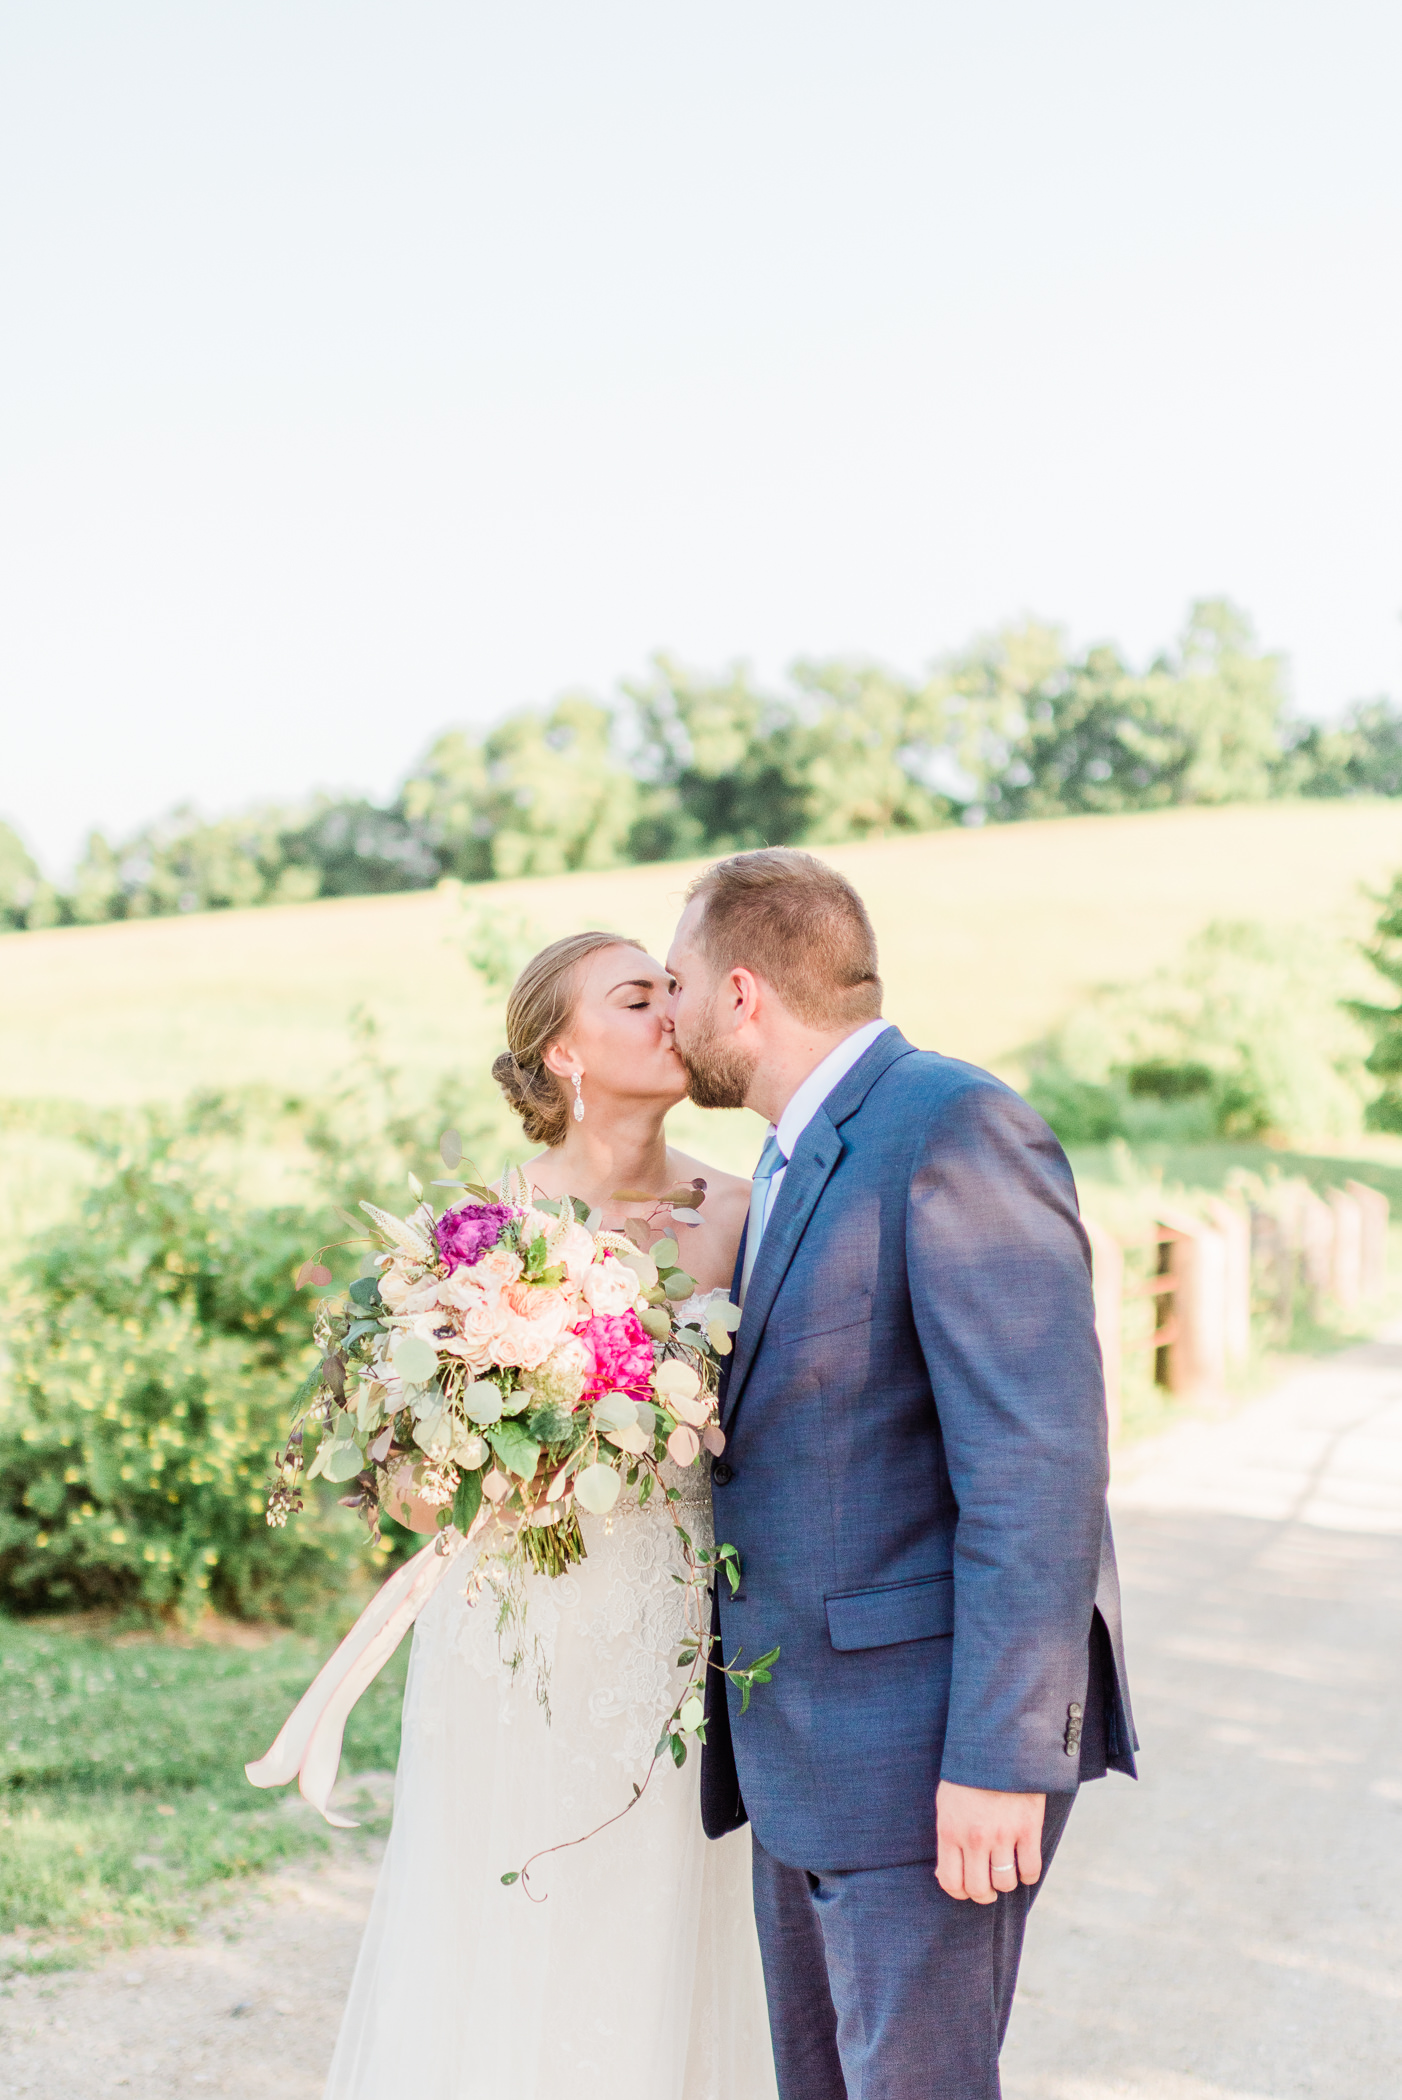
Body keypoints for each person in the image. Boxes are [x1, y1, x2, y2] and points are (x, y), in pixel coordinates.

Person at [664, 848, 1137, 2100]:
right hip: (807, 1750)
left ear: (745, 993)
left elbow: (1037, 1463)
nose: (669, 1013)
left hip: (924, 1750)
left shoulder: (950, 1126)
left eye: (678, 982)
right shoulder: (785, 1163)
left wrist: (1000, 1755)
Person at [323, 931, 775, 2100]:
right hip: (514, 1622)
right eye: (638, 998)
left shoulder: (742, 1209)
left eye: (673, 991)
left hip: (672, 1627)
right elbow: (408, 1478)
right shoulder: (477, 1236)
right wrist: (474, 1454)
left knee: (662, 1900)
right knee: (503, 1906)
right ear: (564, 1049)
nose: (672, 1013)